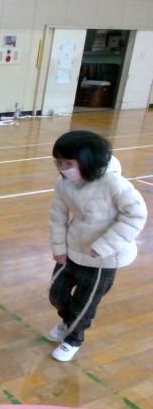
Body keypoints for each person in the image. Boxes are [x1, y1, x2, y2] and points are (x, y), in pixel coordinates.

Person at [48, 130, 147, 362]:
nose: (63, 168)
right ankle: (69, 322)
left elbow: (135, 215)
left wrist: (104, 246)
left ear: (88, 160)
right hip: (72, 250)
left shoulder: (114, 183)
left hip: (103, 259)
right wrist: (59, 249)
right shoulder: (64, 184)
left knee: (85, 304)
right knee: (56, 294)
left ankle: (74, 339)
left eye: (69, 163)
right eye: (59, 162)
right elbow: (57, 216)